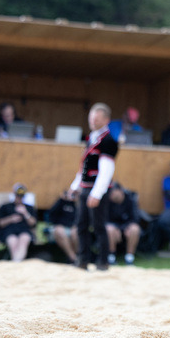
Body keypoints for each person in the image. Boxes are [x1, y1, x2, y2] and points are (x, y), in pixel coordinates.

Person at [69, 102, 119, 271]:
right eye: (91, 117)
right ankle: (83, 259)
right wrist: (75, 185)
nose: (92, 120)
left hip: (96, 189)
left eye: (96, 118)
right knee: (81, 225)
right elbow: (85, 166)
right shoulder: (92, 138)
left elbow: (106, 170)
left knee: (98, 225)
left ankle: (103, 262)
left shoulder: (109, 140)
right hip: (85, 187)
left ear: (106, 119)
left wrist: (97, 194)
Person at [0, 183, 36, 262]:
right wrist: (11, 219)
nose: (19, 198)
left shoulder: (28, 208)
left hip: (24, 231)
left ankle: (15, 263)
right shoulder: (5, 206)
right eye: (18, 195)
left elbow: (33, 224)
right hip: (9, 232)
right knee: (13, 241)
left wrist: (25, 213)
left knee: (24, 239)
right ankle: (17, 263)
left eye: (21, 196)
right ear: (14, 194)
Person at [105, 183, 141, 265]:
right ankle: (111, 257)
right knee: (109, 229)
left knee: (135, 229)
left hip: (127, 227)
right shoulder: (108, 201)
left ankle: (129, 258)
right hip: (113, 228)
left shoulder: (131, 200)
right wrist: (116, 228)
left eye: (112, 193)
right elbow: (105, 219)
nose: (110, 196)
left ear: (119, 191)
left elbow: (135, 218)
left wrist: (126, 228)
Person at [45, 190, 80, 263]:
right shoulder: (61, 203)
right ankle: (73, 258)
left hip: (72, 228)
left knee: (75, 232)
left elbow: (81, 218)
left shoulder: (77, 205)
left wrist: (77, 202)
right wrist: (61, 200)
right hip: (60, 227)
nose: (71, 196)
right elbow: (51, 216)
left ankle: (79, 256)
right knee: (60, 231)